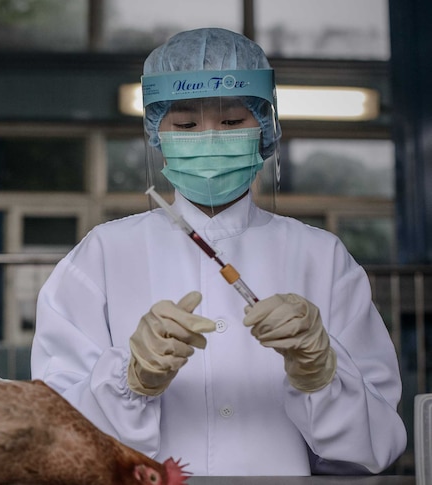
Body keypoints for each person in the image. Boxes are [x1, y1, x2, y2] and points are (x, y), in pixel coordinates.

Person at [30, 28, 406, 476]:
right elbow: (55, 438)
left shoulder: (322, 257)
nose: (208, 139)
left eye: (231, 122)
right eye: (186, 125)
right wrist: (128, 382)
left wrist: (321, 377)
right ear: (157, 133)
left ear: (265, 129)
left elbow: (376, 449)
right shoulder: (100, 257)